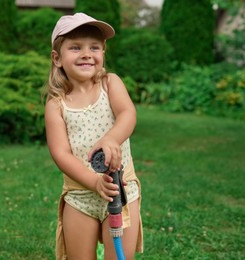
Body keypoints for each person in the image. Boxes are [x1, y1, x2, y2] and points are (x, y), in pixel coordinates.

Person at [44, 13, 143, 260]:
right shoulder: (56, 105)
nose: (87, 53)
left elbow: (127, 113)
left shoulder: (110, 84)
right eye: (76, 47)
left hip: (121, 190)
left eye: (94, 47)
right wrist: (93, 181)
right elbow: (60, 154)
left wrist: (111, 139)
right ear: (57, 58)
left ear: (102, 54)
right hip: (80, 196)